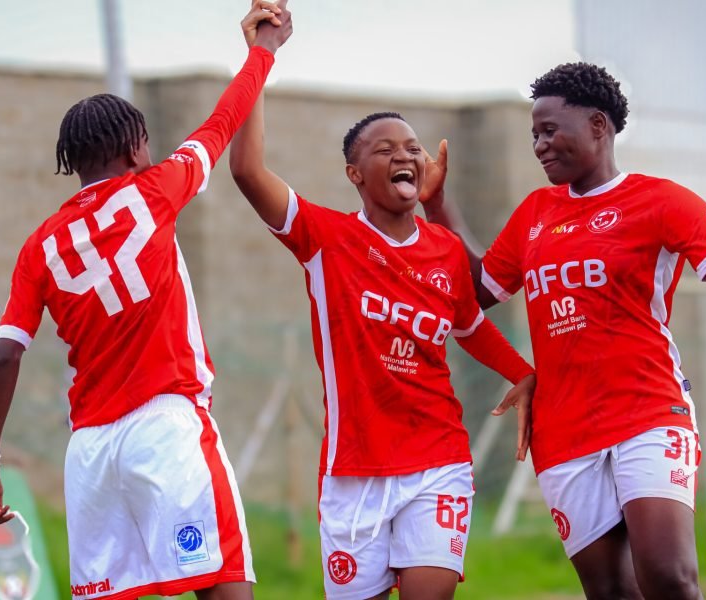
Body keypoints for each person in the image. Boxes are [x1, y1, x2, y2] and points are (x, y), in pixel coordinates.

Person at [420, 62, 706, 600]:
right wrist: (438, 207)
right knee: (611, 592)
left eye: (550, 130)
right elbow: (478, 289)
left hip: (648, 411)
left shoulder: (662, 200)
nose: (540, 145)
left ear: (599, 125)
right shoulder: (535, 213)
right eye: (534, 134)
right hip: (563, 429)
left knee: (668, 576)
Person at [0, 4, 292, 599]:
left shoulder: (39, 247)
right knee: (224, 585)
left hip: (90, 455)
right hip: (165, 429)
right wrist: (262, 51)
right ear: (136, 145)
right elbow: (223, 120)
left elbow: (6, 356)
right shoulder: (157, 187)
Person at [228, 24, 537, 600]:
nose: (405, 155)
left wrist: (523, 372)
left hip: (437, 461)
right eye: (386, 149)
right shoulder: (325, 238)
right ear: (355, 174)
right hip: (354, 476)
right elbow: (247, 171)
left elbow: (469, 325)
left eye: (413, 148)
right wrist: (260, 55)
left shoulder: (444, 249)